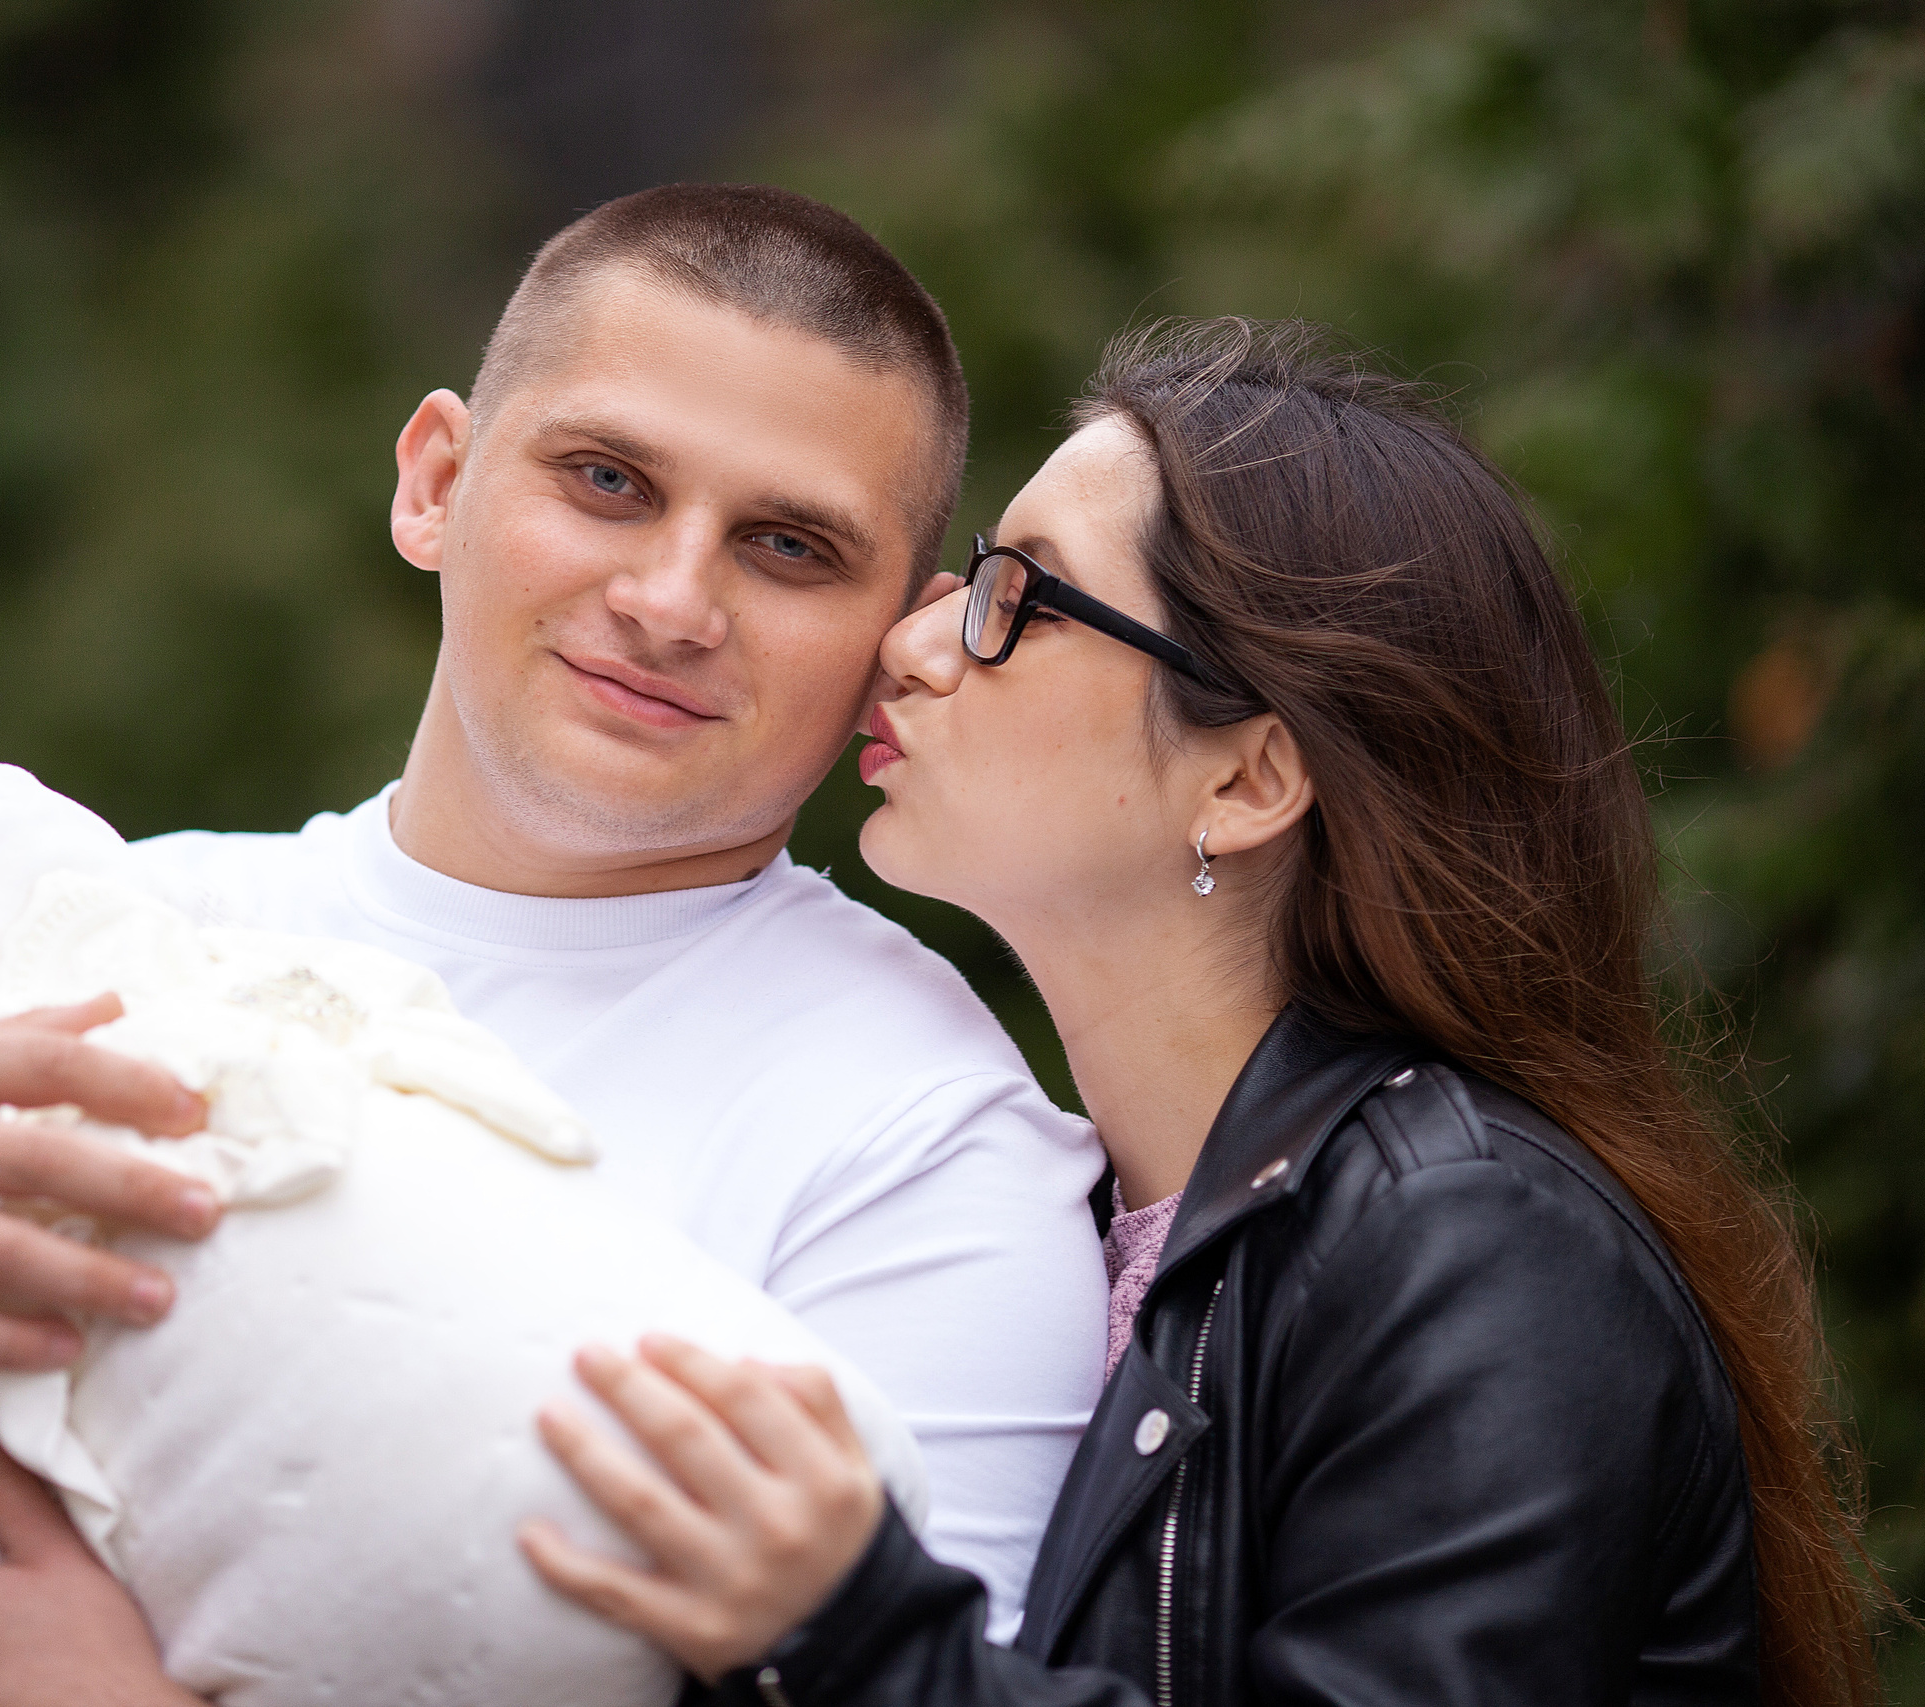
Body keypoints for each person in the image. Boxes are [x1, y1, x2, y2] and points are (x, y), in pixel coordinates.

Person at [0, 183, 1103, 1658]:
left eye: (790, 549)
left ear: (901, 624)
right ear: (437, 480)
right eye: (608, 482)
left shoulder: (929, 1155)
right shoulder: (107, 915)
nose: (669, 602)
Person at [499, 318, 1880, 1707]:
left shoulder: (1467, 1242)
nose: (909, 644)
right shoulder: (1089, 1231)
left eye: (1014, 598)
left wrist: (863, 1632)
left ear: (1248, 782)